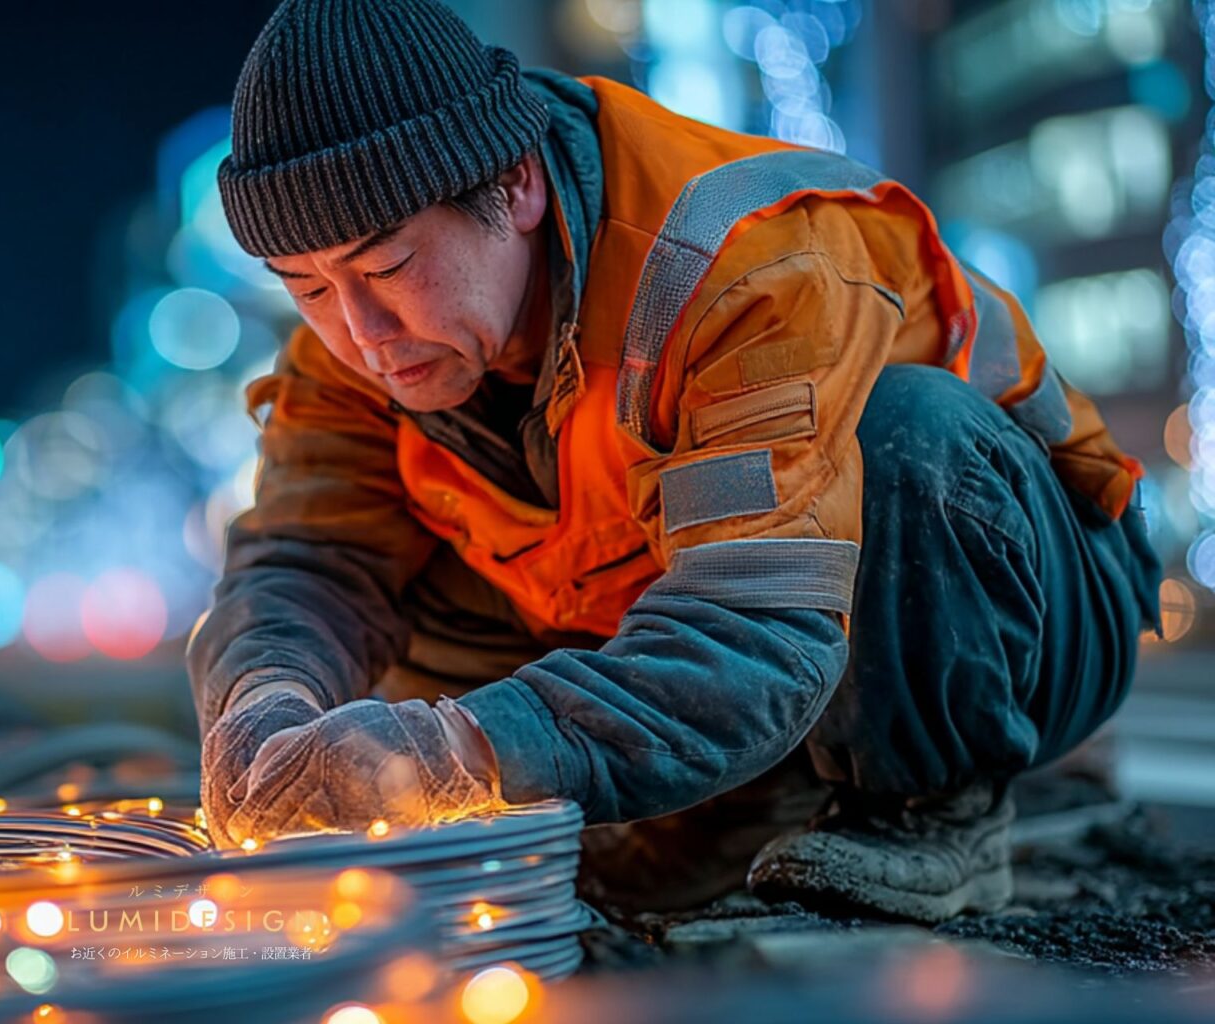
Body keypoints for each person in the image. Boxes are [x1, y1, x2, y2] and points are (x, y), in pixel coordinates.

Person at [188, 0, 1162, 923]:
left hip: (1016, 592)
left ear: (514, 184)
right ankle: (741, 800)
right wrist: (263, 704)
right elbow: (306, 559)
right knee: (376, 626)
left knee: (900, 428)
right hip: (694, 610)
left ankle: (932, 803)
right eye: (306, 287)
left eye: (386, 268)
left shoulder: (742, 263)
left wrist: (461, 752)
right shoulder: (357, 344)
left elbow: (756, 624)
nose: (359, 332)